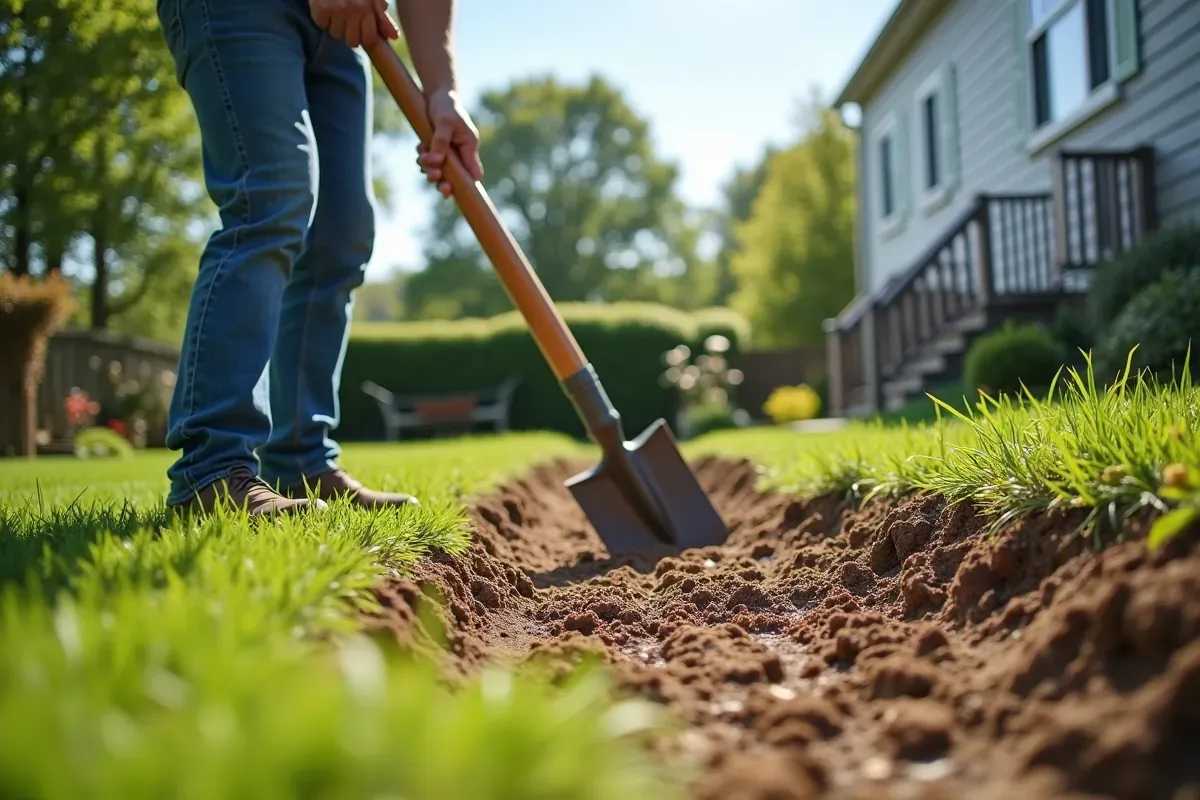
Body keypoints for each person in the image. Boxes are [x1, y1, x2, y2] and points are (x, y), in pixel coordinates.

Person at [155, 0, 483, 516]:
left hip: (345, 33)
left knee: (340, 234)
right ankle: (212, 468)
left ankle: (301, 460)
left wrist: (442, 90)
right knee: (270, 198)